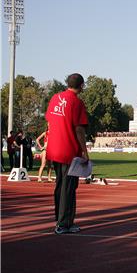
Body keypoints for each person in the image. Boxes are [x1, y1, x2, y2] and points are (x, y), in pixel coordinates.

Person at [45, 73, 89, 235]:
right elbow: (79, 129)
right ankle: (64, 224)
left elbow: (50, 121)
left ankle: (60, 219)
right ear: (81, 86)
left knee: (60, 185)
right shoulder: (77, 102)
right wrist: (84, 151)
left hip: (55, 149)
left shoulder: (55, 98)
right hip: (69, 150)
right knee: (68, 188)